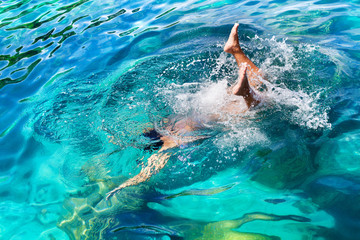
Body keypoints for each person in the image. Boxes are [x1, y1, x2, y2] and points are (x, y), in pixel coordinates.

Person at [106, 23, 266, 200]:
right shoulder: (163, 124)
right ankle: (239, 64)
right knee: (257, 94)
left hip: (207, 119)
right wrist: (120, 185)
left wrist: (123, 186)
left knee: (253, 109)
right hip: (201, 107)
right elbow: (138, 145)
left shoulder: (170, 140)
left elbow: (148, 172)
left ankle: (245, 88)